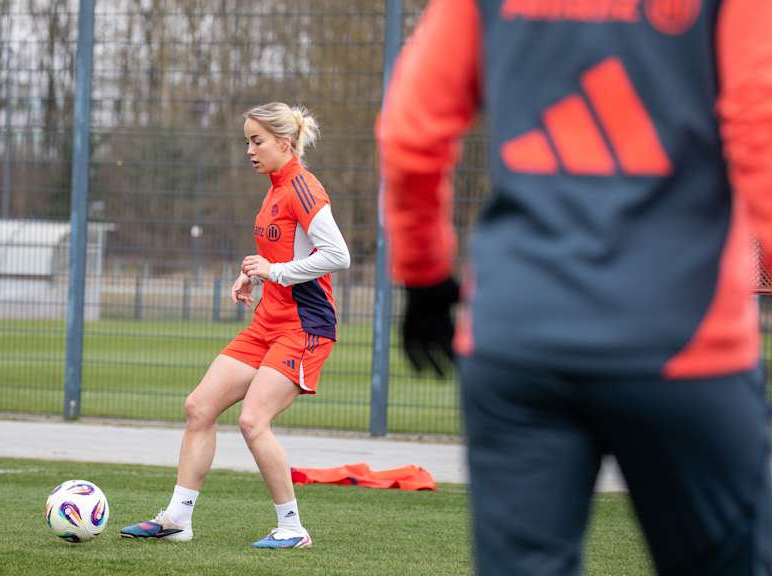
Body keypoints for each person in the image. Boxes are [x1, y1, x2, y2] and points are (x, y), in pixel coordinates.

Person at [378, 0, 772, 574]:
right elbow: (759, 127)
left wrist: (424, 276)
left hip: (518, 337)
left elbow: (411, 130)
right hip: (683, 343)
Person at [120, 102, 350, 549]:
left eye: (257, 140)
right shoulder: (273, 189)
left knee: (252, 421)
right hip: (267, 322)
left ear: (285, 143)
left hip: (304, 327)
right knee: (199, 407)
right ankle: (177, 519)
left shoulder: (303, 187)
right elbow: (281, 251)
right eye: (247, 140)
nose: (249, 149)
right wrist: (252, 273)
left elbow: (338, 255)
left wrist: (276, 272)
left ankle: (292, 528)